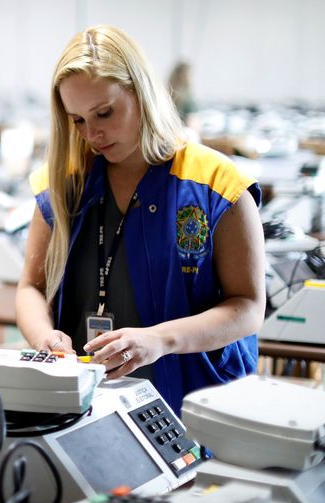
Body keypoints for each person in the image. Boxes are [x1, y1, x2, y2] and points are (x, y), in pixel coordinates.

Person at [15, 25, 265, 413]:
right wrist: (45, 338)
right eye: (77, 120)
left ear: (140, 91)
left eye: (104, 112)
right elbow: (30, 288)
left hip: (193, 406)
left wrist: (160, 340)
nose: (92, 133)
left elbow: (248, 306)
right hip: (87, 408)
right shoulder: (63, 184)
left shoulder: (217, 186)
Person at [168, 61, 199, 131]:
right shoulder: (187, 98)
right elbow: (192, 123)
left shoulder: (166, 93)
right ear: (183, 76)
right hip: (184, 133)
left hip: (170, 133)